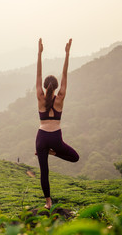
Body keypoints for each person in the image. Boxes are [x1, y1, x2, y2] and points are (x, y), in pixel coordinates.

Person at [35, 38, 79, 209]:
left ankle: (48, 202)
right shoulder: (60, 98)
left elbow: (38, 75)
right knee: (75, 157)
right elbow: (65, 75)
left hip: (41, 137)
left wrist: (39, 53)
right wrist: (67, 54)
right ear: (56, 86)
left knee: (44, 172)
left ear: (45, 86)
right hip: (55, 138)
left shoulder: (40, 96)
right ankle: (53, 153)